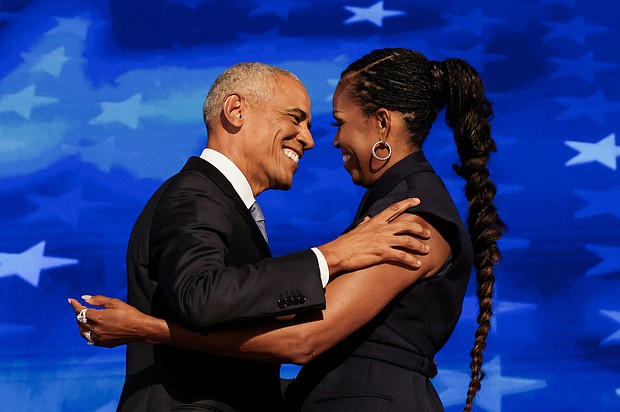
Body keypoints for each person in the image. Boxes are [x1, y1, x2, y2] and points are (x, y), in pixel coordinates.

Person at [71, 49, 505, 411]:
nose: (320, 140)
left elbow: (304, 338)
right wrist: (332, 255)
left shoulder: (409, 212)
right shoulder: (196, 195)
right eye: (298, 119)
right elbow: (222, 302)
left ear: (382, 125)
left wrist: (150, 328)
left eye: (335, 123)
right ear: (236, 111)